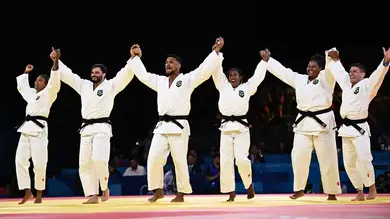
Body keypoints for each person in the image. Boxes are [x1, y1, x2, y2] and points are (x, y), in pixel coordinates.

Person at [128, 38, 224, 202]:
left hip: (179, 126)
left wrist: (215, 52)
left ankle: (181, 194)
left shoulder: (187, 80)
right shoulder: (160, 81)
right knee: (153, 158)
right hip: (162, 126)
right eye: (166, 62)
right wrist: (135, 58)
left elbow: (203, 71)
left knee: (179, 161)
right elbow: (143, 76)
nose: (168, 64)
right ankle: (158, 190)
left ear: (179, 66)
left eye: (171, 62)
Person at [51, 47, 135, 204]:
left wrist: (133, 59)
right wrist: (56, 60)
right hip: (86, 129)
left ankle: (104, 188)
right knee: (84, 163)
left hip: (102, 127)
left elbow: (125, 74)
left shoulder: (111, 85)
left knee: (99, 159)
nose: (93, 75)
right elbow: (68, 75)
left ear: (103, 74)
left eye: (97, 72)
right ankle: (92, 194)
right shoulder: (84, 85)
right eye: (92, 72)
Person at [260, 48, 341, 200]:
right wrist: (268, 60)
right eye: (309, 66)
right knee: (298, 156)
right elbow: (284, 72)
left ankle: (331, 192)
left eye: (314, 66)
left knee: (328, 158)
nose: (310, 68)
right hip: (303, 124)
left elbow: (331, 68)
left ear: (321, 68)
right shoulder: (299, 79)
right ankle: (299, 189)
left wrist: (331, 57)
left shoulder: (327, 78)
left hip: (323, 122)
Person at [327, 47, 390, 201]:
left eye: (355, 71)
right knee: (349, 163)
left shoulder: (368, 85)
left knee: (364, 159)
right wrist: (334, 58)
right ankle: (359, 191)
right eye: (351, 71)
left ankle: (372, 188)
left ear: (363, 74)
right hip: (345, 129)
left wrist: (385, 62)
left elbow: (378, 76)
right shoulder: (347, 84)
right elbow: (340, 73)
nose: (351, 73)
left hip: (360, 128)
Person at [211, 55, 268, 201]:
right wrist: (217, 55)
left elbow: (257, 77)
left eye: (235, 75)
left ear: (241, 77)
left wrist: (263, 62)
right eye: (230, 75)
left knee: (242, 160)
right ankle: (231, 192)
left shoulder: (247, 87)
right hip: (225, 128)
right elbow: (217, 71)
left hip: (241, 128)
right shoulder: (222, 85)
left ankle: (249, 186)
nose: (232, 77)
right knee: (225, 161)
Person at [15, 48, 61, 204]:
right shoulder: (32, 94)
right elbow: (22, 88)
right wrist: (26, 73)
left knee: (40, 163)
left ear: (46, 83)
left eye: (40, 80)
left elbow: (55, 81)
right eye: (36, 80)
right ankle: (27, 192)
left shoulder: (49, 93)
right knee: (20, 160)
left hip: (39, 129)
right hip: (26, 128)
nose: (36, 81)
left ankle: (39, 193)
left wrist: (55, 61)